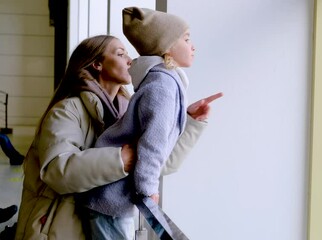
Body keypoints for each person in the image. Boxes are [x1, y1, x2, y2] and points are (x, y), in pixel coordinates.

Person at [14, 34, 220, 240]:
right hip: (57, 231)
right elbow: (56, 171)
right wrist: (121, 159)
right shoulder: (68, 110)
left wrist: (191, 121)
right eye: (121, 54)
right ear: (97, 64)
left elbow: (159, 163)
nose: (130, 60)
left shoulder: (125, 114)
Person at [77, 7, 223, 240]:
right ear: (166, 47)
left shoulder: (164, 82)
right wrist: (148, 189)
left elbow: (158, 141)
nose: (192, 46)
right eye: (186, 39)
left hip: (112, 197)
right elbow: (152, 144)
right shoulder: (162, 86)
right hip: (110, 200)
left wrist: (191, 118)